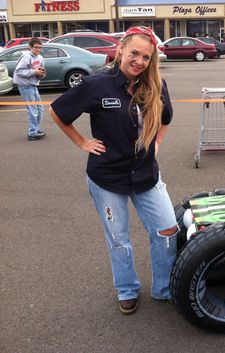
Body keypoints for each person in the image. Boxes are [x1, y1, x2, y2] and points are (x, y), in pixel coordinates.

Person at [49, 26, 178, 315]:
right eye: (134, 53)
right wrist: (82, 142)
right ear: (121, 49)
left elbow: (166, 117)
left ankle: (164, 288)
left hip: (146, 174)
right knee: (119, 239)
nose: (139, 61)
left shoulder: (156, 84)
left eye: (146, 57)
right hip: (107, 177)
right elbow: (58, 111)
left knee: (167, 230)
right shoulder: (96, 84)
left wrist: (156, 141)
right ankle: (127, 289)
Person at [13, 37, 47, 141]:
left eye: (40, 47)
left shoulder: (40, 58)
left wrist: (41, 73)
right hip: (25, 86)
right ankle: (32, 132)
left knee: (40, 109)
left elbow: (41, 72)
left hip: (33, 85)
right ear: (30, 47)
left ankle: (35, 129)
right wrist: (34, 72)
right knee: (33, 110)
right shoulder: (26, 57)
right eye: (36, 47)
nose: (38, 49)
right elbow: (18, 71)